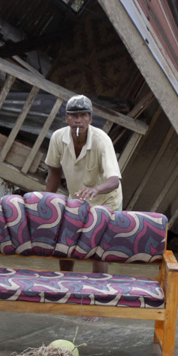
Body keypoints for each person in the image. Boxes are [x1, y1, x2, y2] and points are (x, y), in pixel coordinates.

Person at [45, 94, 121, 274]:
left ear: (90, 119)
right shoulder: (58, 138)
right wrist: (47, 201)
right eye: (73, 115)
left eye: (83, 115)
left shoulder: (101, 141)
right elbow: (54, 171)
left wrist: (96, 189)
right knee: (65, 245)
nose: (78, 120)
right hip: (77, 200)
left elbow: (114, 180)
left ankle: (99, 289)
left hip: (105, 201)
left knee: (98, 249)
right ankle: (65, 282)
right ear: (66, 118)